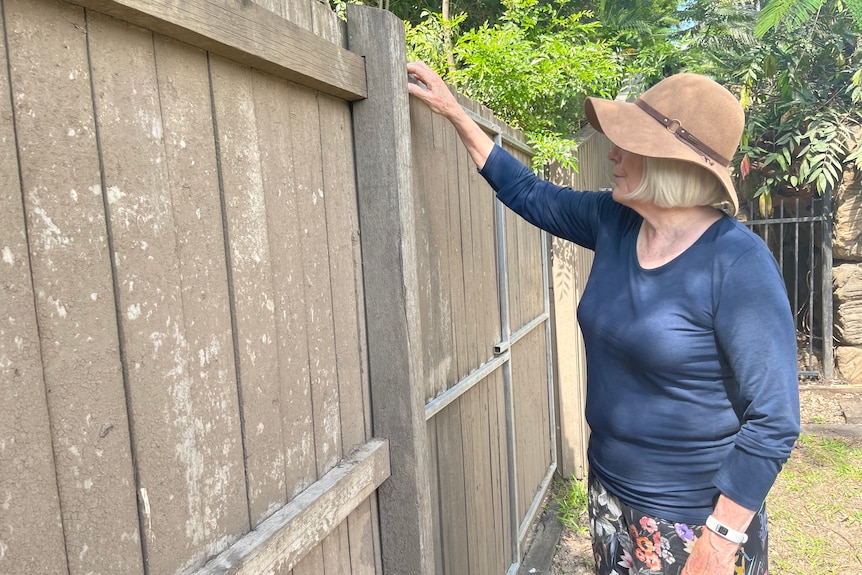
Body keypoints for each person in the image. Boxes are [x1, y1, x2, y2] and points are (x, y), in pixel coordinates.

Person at [406, 61, 800, 575]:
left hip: (694, 519)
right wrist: (456, 113)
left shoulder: (739, 264)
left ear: (668, 163)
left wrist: (719, 541)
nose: (612, 152)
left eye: (627, 143)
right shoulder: (615, 222)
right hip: (611, 495)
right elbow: (528, 193)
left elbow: (774, 422)